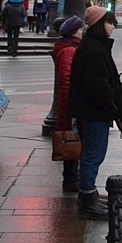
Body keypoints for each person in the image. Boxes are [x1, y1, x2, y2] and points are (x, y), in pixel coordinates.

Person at [68, 6, 119, 220]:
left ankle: (89, 194)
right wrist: (112, 106)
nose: (113, 27)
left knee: (92, 154)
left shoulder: (93, 46)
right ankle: (87, 198)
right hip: (94, 112)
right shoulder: (94, 50)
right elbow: (97, 85)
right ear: (100, 25)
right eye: (110, 22)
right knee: (93, 155)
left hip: (90, 110)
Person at [51, 15, 83, 193]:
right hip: (70, 104)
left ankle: (72, 178)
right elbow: (66, 80)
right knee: (71, 141)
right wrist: (71, 105)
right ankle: (71, 180)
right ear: (73, 32)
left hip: (70, 103)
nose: (82, 32)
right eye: (80, 29)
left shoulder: (70, 48)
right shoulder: (69, 51)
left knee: (73, 141)